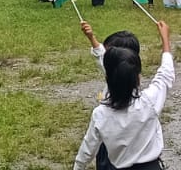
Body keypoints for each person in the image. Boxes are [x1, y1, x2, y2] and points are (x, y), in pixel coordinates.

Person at [72, 21, 174, 170]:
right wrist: (165, 39)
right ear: (138, 78)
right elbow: (166, 73)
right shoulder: (149, 102)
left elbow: (87, 150)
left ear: (107, 77)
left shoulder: (100, 114)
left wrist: (78, 167)